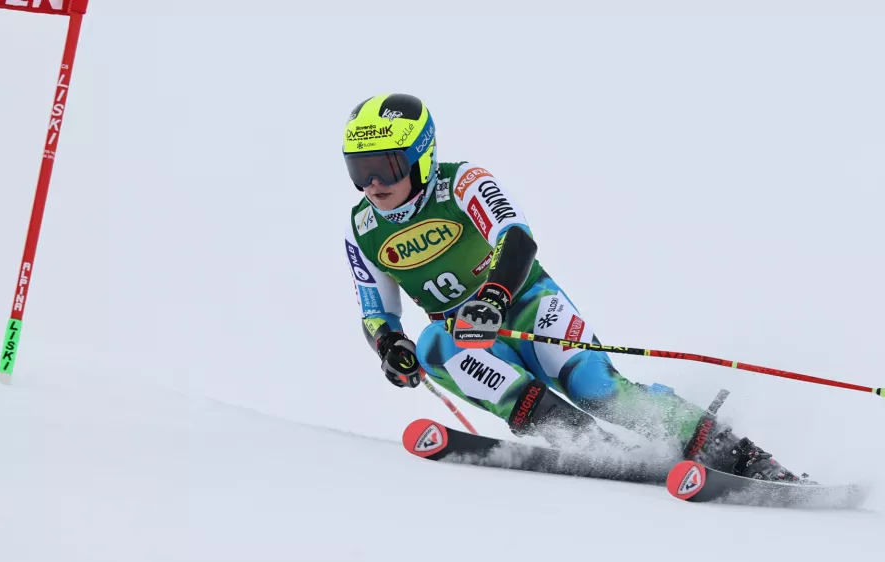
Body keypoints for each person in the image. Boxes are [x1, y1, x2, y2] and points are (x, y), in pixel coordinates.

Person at [342, 93, 799, 481]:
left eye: (386, 166)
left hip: (524, 305)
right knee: (432, 345)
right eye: (359, 171)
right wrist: (388, 345)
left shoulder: (461, 182)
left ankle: (741, 456)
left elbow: (516, 238)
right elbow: (376, 310)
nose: (374, 184)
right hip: (467, 335)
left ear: (421, 156)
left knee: (595, 387)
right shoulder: (361, 227)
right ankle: (588, 443)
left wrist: (494, 297)